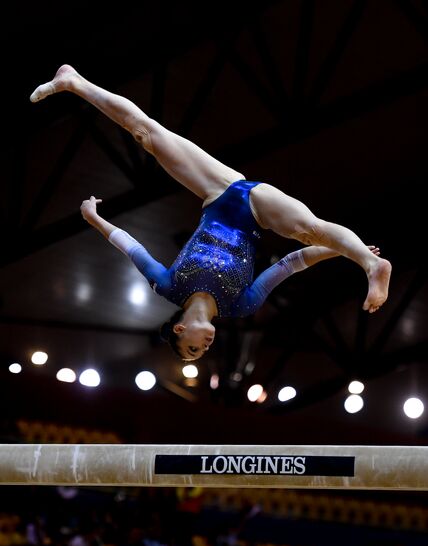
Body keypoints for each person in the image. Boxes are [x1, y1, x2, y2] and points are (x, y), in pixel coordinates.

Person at [30, 65, 391, 361]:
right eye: (202, 351)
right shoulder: (241, 305)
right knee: (309, 231)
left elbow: (131, 248)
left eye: (192, 348)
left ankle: (74, 82)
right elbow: (291, 263)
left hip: (217, 192)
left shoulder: (169, 286)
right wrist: (340, 251)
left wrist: (95, 220)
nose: (205, 347)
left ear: (179, 329)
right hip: (258, 211)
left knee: (147, 135)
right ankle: (369, 264)